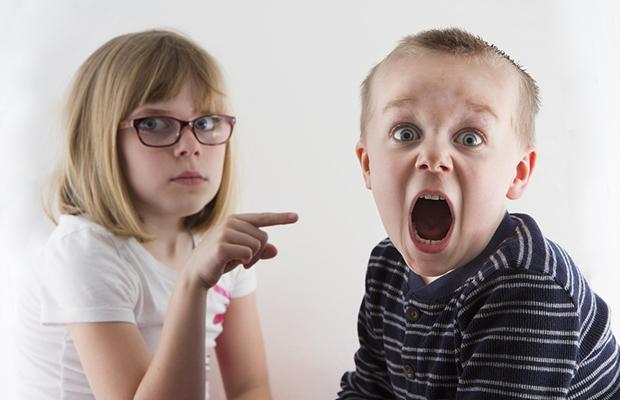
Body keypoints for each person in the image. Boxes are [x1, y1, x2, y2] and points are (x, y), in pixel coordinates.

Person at [338, 28, 620, 399]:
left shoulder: (529, 289)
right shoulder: (386, 268)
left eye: (469, 138)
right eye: (406, 133)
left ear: (518, 172)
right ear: (368, 164)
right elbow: (369, 389)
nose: (433, 157)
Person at [17, 29, 297, 399]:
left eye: (207, 123)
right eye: (154, 123)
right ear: (100, 140)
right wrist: (193, 282)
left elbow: (250, 387)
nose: (190, 146)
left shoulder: (215, 242)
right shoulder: (82, 252)